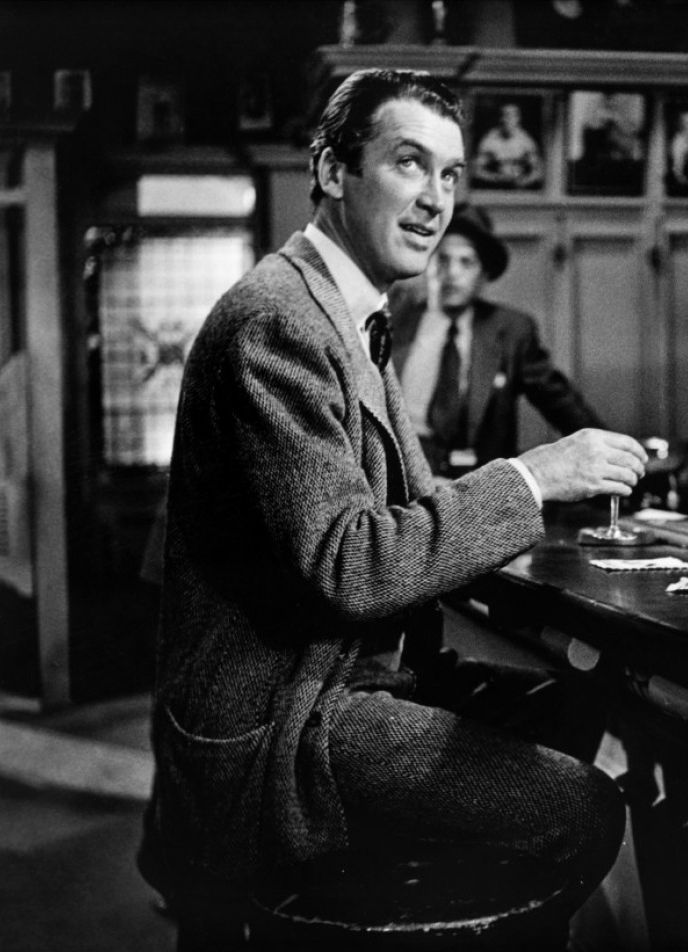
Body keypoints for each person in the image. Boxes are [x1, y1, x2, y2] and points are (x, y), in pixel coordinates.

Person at [137, 67, 646, 939]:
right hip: (286, 722)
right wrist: (532, 478)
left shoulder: (349, 311)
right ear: (332, 171)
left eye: (450, 175)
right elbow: (352, 563)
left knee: (575, 704)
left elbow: (415, 501)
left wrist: (555, 515)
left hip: (347, 682)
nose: (435, 200)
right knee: (583, 807)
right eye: (409, 164)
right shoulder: (280, 320)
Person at [392, 202, 605, 476]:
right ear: (425, 264)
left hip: (481, 483)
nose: (452, 273)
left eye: (466, 262)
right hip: (403, 477)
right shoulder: (393, 320)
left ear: (483, 274)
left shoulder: (511, 331)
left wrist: (611, 454)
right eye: (442, 259)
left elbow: (562, 405)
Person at [473, 101, 543, 189]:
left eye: (511, 116)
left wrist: (525, 181)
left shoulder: (526, 140)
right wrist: (496, 178)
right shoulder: (490, 140)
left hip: (521, 189)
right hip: (494, 188)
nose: (507, 120)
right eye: (504, 115)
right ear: (500, 118)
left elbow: (539, 171)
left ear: (518, 118)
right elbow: (476, 171)